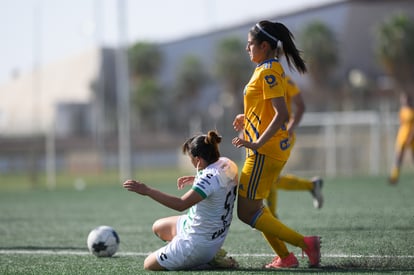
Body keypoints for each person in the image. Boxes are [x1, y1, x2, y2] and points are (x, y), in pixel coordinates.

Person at [231, 20, 321, 269]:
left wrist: (257, 142)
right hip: (267, 150)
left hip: (263, 151)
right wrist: (246, 116)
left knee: (247, 212)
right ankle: (286, 257)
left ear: (263, 45)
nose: (246, 48)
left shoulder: (268, 70)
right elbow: (265, 107)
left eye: (249, 44)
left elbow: (281, 113)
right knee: (257, 209)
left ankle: (305, 244)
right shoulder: (266, 67)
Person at [123, 130, 239, 271]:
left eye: (190, 158)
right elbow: (219, 185)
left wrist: (147, 191)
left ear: (198, 160)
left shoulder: (209, 178)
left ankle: (206, 260)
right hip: (215, 235)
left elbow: (181, 204)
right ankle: (205, 255)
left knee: (148, 264)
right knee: (158, 227)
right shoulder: (227, 163)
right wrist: (196, 179)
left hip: (198, 244)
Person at [267, 73, 324, 217]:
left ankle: (272, 217)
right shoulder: (258, 77)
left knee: (270, 176)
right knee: (270, 178)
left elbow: (301, 105)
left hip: (282, 135)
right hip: (264, 135)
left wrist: (290, 127)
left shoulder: (284, 80)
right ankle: (312, 186)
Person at [388, 92, 414, 184]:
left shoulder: (412, 111)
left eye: (404, 98)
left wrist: (411, 137)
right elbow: (402, 124)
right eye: (402, 98)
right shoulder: (402, 111)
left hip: (411, 137)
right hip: (402, 136)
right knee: (398, 157)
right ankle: (394, 177)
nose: (403, 100)